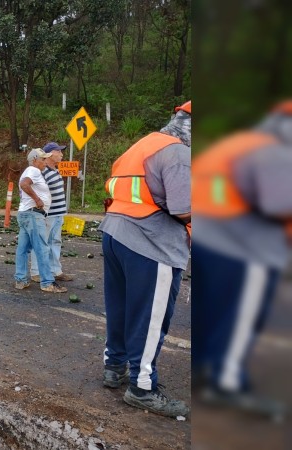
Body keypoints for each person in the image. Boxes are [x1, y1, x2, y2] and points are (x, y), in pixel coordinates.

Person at [190, 101, 291, 421]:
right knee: (241, 318)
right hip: (244, 247)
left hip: (208, 240)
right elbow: (280, 206)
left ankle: (203, 369)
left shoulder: (236, 144)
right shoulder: (274, 152)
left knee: (211, 312)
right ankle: (226, 382)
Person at [99, 101, 191, 418]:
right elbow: (183, 208)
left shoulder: (142, 144)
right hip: (151, 242)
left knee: (121, 307)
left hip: (115, 234)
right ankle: (142, 387)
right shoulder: (178, 152)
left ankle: (115, 367)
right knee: (150, 319)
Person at [14, 148, 68, 294]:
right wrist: (37, 199)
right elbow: (25, 185)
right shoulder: (33, 171)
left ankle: (21, 280)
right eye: (43, 159)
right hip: (34, 214)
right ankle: (47, 282)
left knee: (23, 249)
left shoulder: (29, 171)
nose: (45, 162)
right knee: (42, 248)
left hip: (25, 213)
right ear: (35, 160)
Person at [29, 142, 74, 283]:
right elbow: (34, 189)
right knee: (42, 243)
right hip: (48, 214)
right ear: (49, 154)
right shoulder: (43, 172)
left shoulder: (55, 170)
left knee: (55, 241)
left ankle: (55, 270)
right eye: (58, 151)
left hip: (58, 213)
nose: (61, 154)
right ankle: (36, 272)